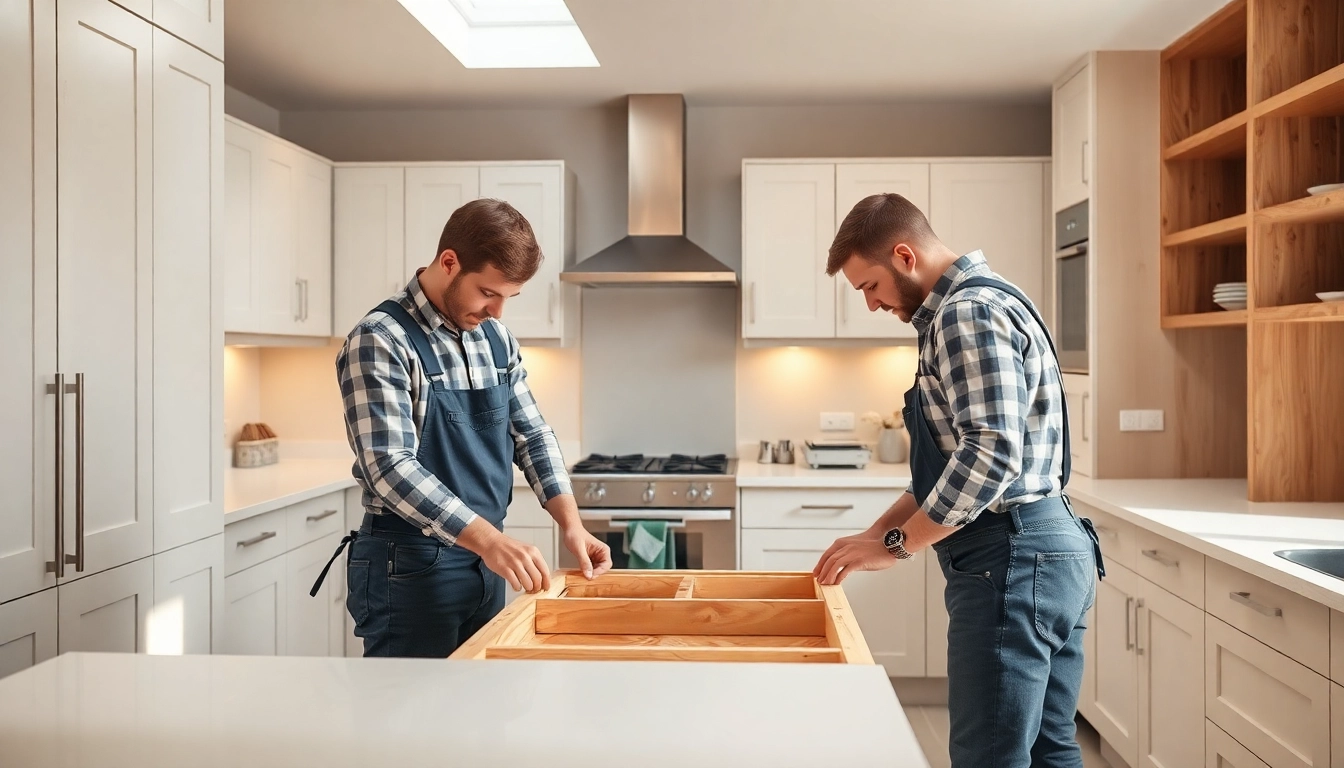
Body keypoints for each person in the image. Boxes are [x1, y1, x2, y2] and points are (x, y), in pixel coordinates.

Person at [812, 193, 1104, 767]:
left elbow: (991, 455)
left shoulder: (965, 314)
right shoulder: (989, 299)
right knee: (1050, 750)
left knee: (988, 758)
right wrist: (873, 534)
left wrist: (896, 546)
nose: (871, 304)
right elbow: (951, 466)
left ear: (904, 256)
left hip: (1012, 559)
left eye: (870, 285)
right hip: (1047, 550)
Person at [310, 198, 612, 658]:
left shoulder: (495, 339)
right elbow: (389, 467)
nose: (497, 312)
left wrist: (571, 525)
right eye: (488, 292)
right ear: (449, 262)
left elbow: (531, 435)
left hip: (486, 563)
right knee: (410, 703)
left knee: (477, 699)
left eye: (508, 298)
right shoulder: (380, 339)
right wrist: (490, 541)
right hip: (409, 567)